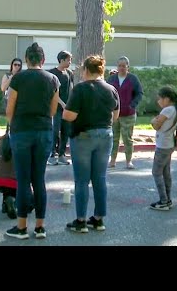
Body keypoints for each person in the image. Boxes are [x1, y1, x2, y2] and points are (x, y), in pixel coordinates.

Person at [5, 42, 60, 240]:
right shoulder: (53, 79)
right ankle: (40, 226)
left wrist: (13, 125)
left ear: (27, 59)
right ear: (43, 60)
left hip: (22, 131)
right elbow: (53, 110)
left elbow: (10, 109)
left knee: (22, 180)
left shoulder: (18, 78)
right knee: (39, 179)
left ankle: (21, 227)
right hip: (44, 131)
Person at [63, 55, 119, 232]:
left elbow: (68, 116)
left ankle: (81, 220)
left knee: (81, 180)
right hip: (105, 134)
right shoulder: (111, 89)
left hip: (83, 136)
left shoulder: (80, 89)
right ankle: (98, 218)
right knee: (100, 178)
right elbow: (115, 115)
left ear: (86, 70)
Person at [107, 56, 143, 169]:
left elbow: (139, 93)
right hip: (114, 114)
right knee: (114, 138)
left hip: (128, 114)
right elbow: (107, 93)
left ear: (128, 66)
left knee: (127, 138)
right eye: (120, 66)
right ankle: (112, 160)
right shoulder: (112, 79)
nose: (121, 68)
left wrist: (132, 105)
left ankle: (128, 161)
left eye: (124, 66)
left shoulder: (133, 79)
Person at [149, 86, 177, 211]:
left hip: (162, 145)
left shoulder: (167, 110)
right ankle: (168, 199)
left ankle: (163, 200)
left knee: (156, 172)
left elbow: (157, 125)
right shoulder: (175, 110)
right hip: (169, 144)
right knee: (165, 172)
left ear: (167, 99)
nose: (158, 102)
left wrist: (153, 121)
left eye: (160, 99)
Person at [47, 50, 74, 166]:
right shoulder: (52, 74)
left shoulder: (69, 73)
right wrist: (62, 103)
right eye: (68, 60)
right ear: (61, 60)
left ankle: (62, 154)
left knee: (65, 131)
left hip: (67, 108)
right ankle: (52, 155)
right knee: (55, 130)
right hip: (56, 108)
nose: (69, 62)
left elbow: (71, 89)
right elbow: (52, 93)